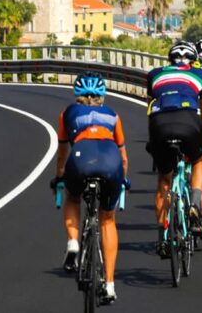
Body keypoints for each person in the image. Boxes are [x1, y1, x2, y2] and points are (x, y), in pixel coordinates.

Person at [50, 72, 128, 304]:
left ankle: (73, 243)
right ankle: (110, 285)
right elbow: (123, 157)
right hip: (111, 161)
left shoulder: (67, 113)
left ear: (77, 95)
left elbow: (62, 153)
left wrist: (59, 178)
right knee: (107, 219)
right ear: (102, 96)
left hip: (80, 159)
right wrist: (123, 180)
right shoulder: (113, 115)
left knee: (73, 198)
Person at [146, 41, 202, 256]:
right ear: (193, 59)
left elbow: (150, 108)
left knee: (163, 181)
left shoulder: (154, 74)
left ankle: (163, 237)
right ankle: (194, 203)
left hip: (160, 124)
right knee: (199, 160)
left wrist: (153, 140)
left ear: (169, 60)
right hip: (188, 121)